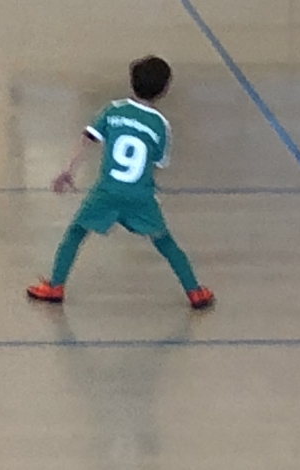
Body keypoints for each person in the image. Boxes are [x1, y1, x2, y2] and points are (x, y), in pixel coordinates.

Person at [26, 56, 214, 310]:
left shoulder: (113, 111)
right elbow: (157, 163)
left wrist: (68, 170)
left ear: (131, 81)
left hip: (106, 191)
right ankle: (195, 292)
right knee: (165, 242)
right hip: (140, 196)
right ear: (164, 90)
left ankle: (55, 286)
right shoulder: (160, 125)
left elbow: (87, 138)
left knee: (76, 232)